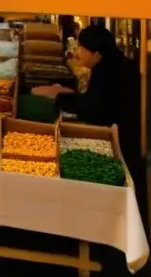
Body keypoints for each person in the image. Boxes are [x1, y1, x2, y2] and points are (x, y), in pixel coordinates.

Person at [33, 24, 147, 228]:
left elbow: (96, 111)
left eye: (81, 48)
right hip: (129, 135)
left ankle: (130, 235)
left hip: (126, 140)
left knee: (130, 186)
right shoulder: (116, 65)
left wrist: (61, 96)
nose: (77, 53)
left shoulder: (108, 73)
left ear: (96, 53)